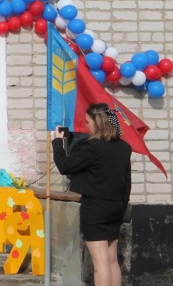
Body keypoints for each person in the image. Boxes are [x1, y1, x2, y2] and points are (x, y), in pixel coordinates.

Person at [52, 103, 132, 286]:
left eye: (88, 122)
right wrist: (122, 205)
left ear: (97, 123)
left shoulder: (91, 147)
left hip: (95, 208)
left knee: (100, 262)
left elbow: (65, 166)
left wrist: (57, 142)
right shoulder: (123, 148)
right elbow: (127, 182)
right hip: (116, 207)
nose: (86, 126)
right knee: (112, 260)